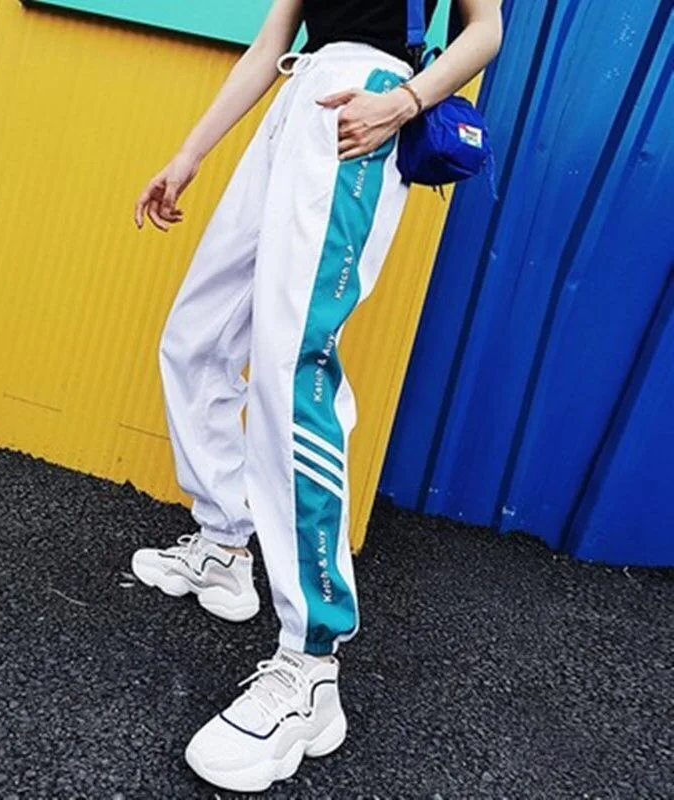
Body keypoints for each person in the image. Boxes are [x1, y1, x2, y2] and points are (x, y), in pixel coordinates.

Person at [132, 0, 502, 791]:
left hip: (362, 107)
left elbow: (486, 29)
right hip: (295, 103)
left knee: (292, 367)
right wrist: (189, 154)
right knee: (196, 337)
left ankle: (310, 667)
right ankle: (226, 547)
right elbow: (272, 42)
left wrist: (404, 104)